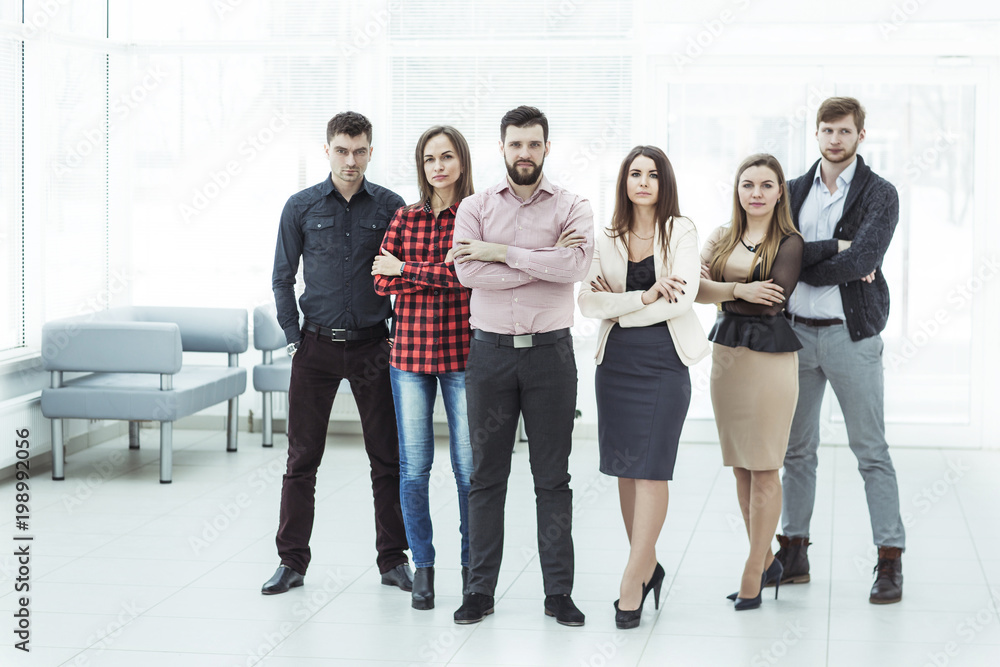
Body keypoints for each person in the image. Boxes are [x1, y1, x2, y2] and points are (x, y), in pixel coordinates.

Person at [450, 105, 594, 627]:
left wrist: (501, 252)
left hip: (551, 358)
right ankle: (479, 591)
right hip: (488, 355)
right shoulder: (475, 205)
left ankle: (559, 593)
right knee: (486, 477)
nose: (525, 153)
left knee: (552, 478)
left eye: (534, 144)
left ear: (546, 148)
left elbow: (575, 267)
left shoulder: (573, 205)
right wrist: (536, 261)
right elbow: (467, 271)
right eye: (516, 144)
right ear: (502, 147)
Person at [263, 111, 413, 595]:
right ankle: (291, 563)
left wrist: (398, 334)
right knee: (301, 460)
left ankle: (394, 561)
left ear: (371, 151)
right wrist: (293, 337)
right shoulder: (301, 206)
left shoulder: (391, 207)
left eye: (361, 151)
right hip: (316, 347)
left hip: (374, 346)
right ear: (326, 149)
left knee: (387, 459)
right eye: (342, 150)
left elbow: (405, 276)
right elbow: (282, 277)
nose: (351, 160)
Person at [777, 97, 905, 604]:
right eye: (827, 130)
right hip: (796, 334)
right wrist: (837, 249)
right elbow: (773, 258)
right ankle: (793, 553)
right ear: (816, 134)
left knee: (871, 451)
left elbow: (866, 259)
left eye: (845, 131)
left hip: (851, 336)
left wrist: (806, 262)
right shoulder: (790, 191)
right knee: (796, 451)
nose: (835, 139)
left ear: (860, 135)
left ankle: (889, 559)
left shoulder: (881, 194)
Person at [578, 145, 709, 629]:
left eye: (653, 174)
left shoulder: (682, 231)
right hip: (615, 365)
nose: (643, 182)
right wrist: (643, 295)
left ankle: (631, 582)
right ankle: (648, 565)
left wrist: (624, 306)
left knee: (653, 470)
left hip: (663, 362)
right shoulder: (606, 235)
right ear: (624, 182)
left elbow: (681, 301)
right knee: (626, 471)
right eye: (635, 173)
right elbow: (588, 303)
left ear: (664, 182)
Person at [370, 125, 475, 610]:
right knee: (414, 469)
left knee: (469, 471)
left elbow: (468, 279)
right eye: (430, 158)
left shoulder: (476, 217)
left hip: (463, 356)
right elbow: (378, 282)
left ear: (461, 161)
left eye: (447, 156)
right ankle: (425, 569)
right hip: (408, 356)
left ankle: (474, 570)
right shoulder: (404, 217)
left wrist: (406, 272)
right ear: (421, 165)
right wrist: (426, 277)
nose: (438, 166)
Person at [696, 153, 804, 611]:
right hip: (728, 362)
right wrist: (739, 290)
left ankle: (752, 570)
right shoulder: (722, 236)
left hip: (769, 364)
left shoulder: (789, 241)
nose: (755, 193)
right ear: (737, 190)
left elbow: (771, 303)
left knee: (764, 466)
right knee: (741, 465)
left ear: (780, 191)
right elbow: (692, 289)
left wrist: (724, 293)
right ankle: (765, 561)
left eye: (765, 185)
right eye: (747, 185)